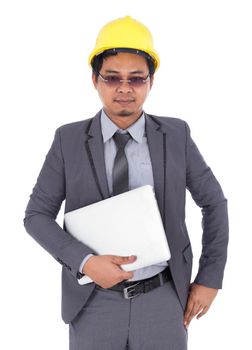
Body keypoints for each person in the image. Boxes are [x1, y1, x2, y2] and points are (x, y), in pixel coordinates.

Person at [24, 16, 229, 350]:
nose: (124, 88)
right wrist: (85, 261)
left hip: (163, 299)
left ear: (151, 82)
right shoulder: (68, 140)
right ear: (95, 79)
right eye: (112, 78)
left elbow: (214, 203)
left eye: (136, 79)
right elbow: (36, 216)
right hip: (92, 301)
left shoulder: (176, 135)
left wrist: (209, 278)